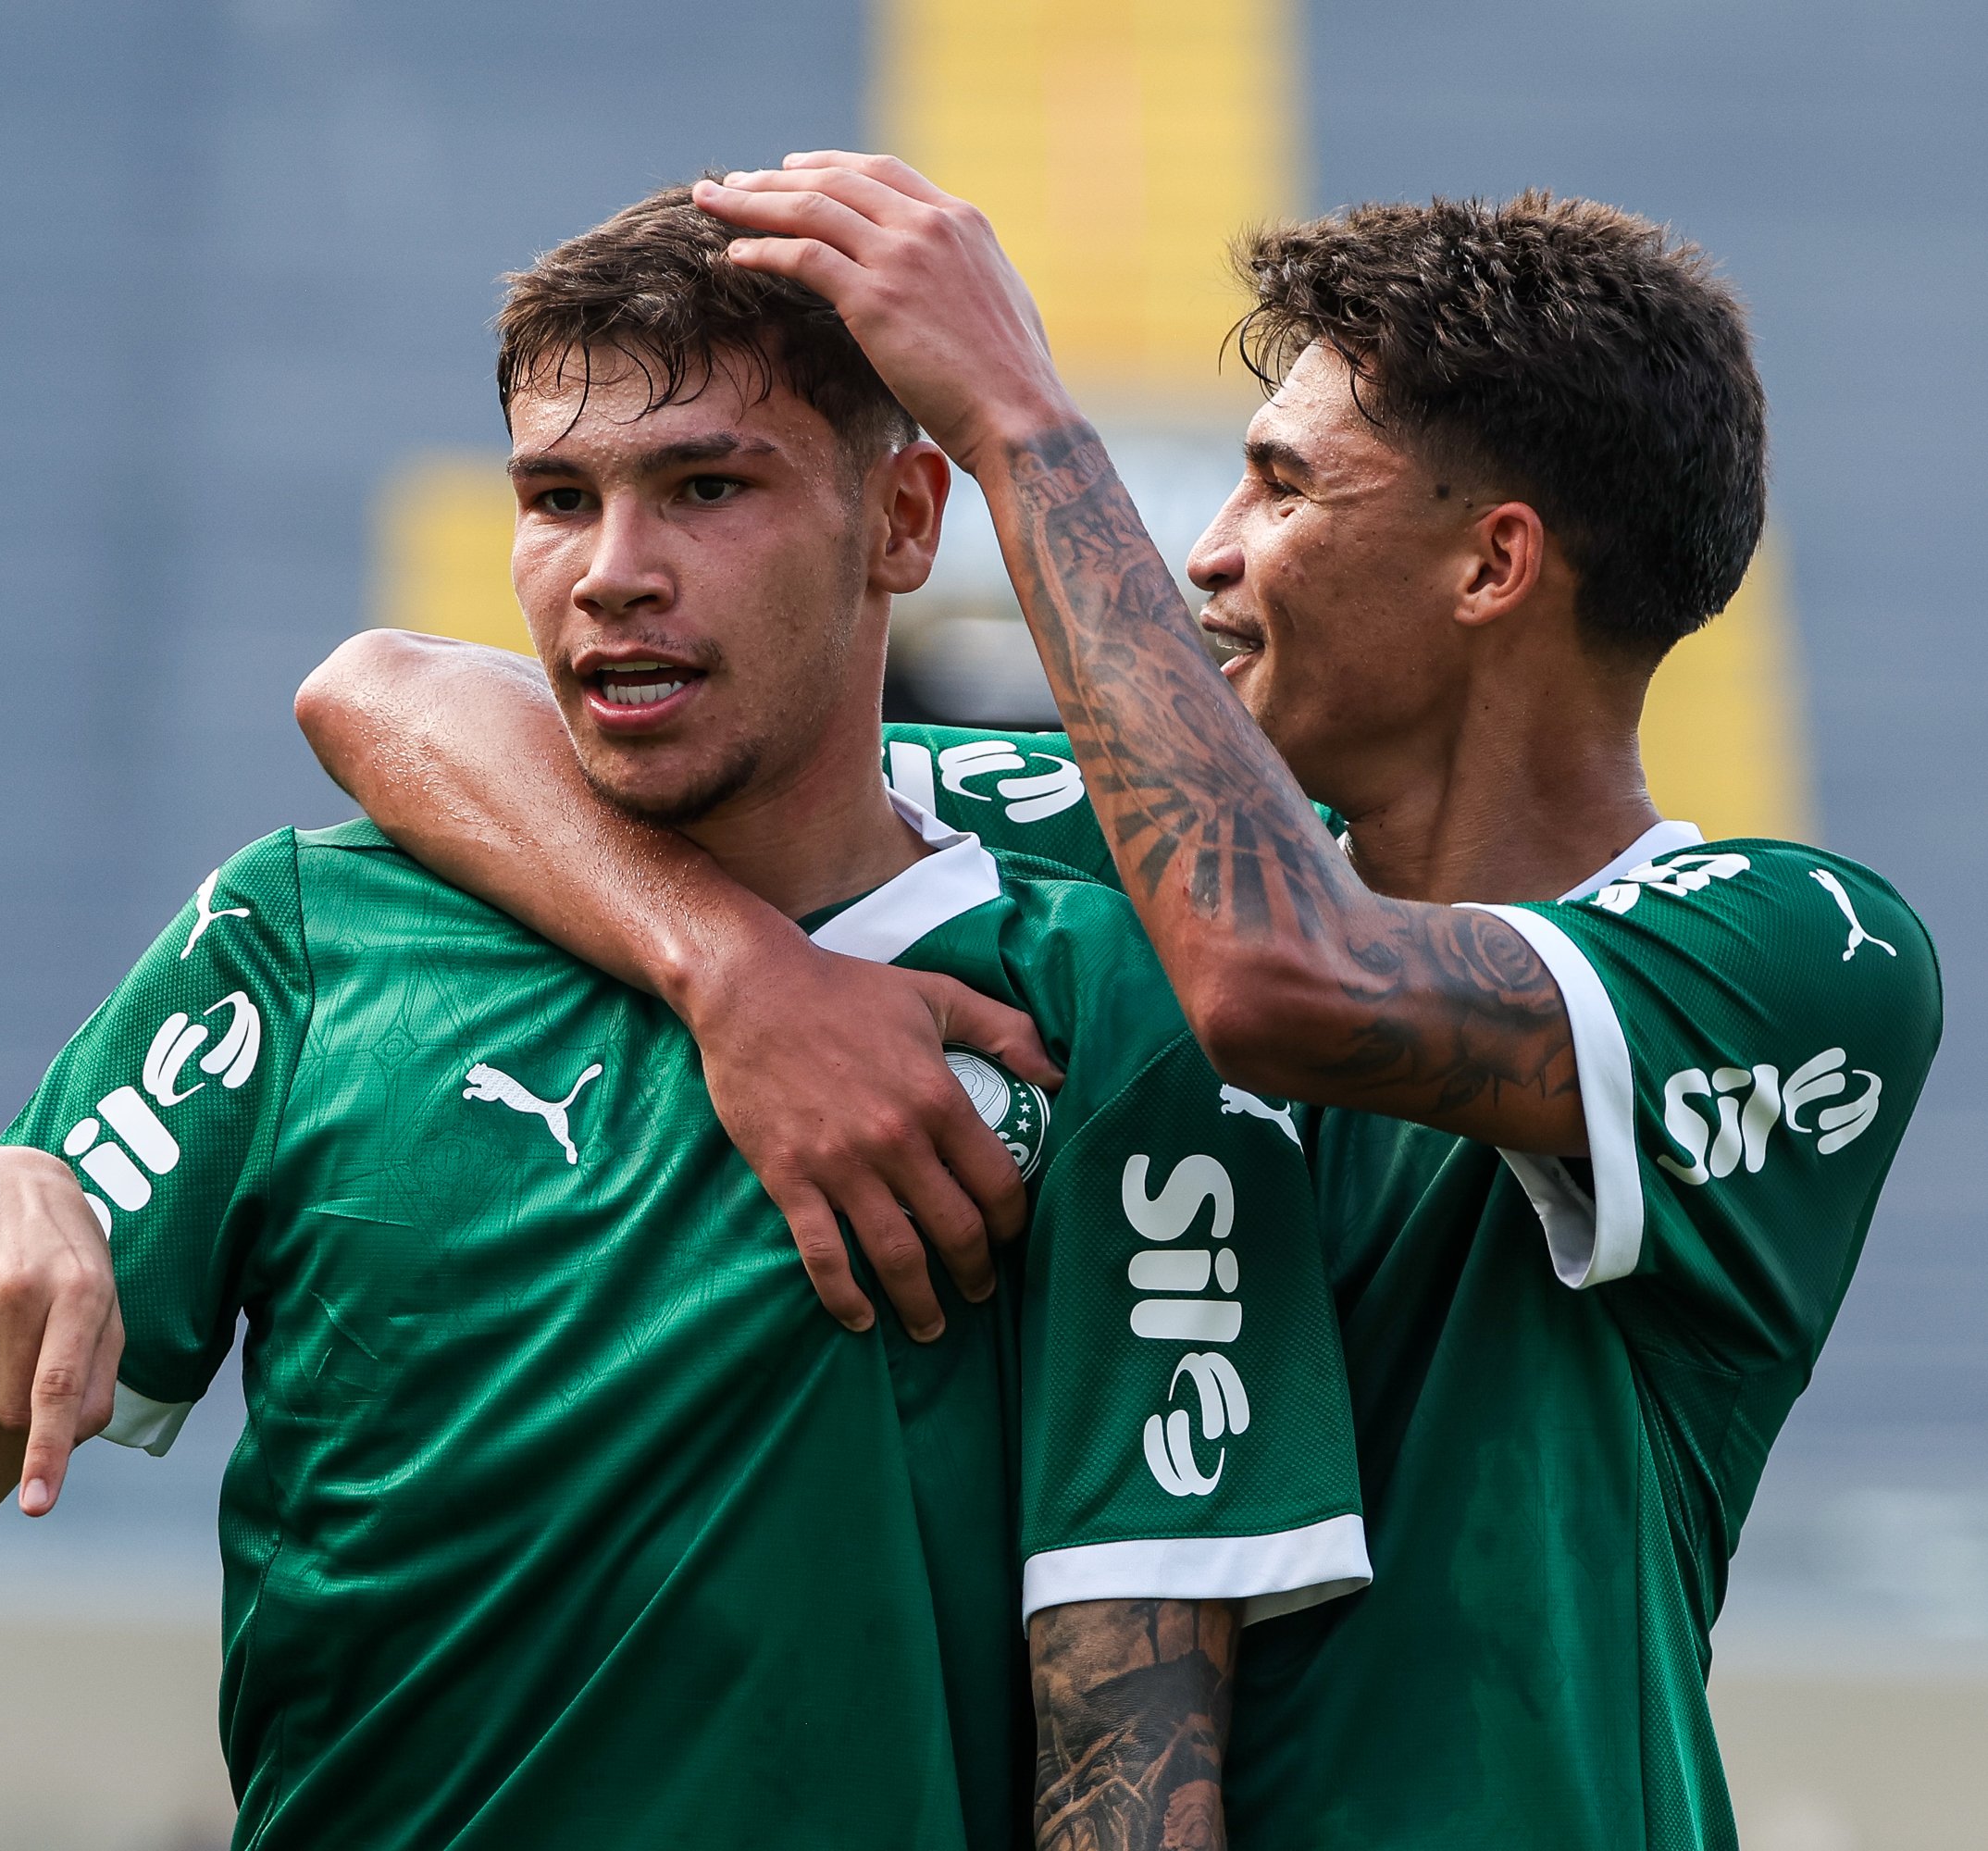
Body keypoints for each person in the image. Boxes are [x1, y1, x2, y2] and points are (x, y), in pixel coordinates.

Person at [300, 168, 1944, 1847]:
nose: (1209, 554)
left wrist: (1023, 429)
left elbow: (1282, 980)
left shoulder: (1791, 959)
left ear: (1491, 564)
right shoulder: (1127, 849)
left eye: (1282, 488)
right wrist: (731, 965)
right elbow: (389, 696)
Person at [0, 186, 1369, 1851]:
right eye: (557, 498)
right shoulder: (305, 940)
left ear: (900, 521)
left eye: (708, 489)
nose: (613, 576)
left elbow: (1131, 1737)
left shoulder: (1092, 995)